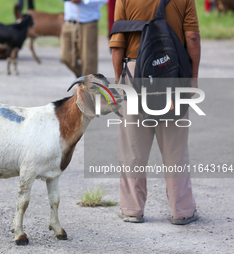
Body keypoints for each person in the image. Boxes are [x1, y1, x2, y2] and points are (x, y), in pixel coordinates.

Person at [109, 0, 201, 225]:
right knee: (175, 147)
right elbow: (192, 38)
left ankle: (132, 209)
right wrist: (193, 79)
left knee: (133, 146)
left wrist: (119, 77)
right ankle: (182, 211)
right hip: (172, 71)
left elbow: (118, 43)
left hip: (134, 71)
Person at [60, 0, 107, 78]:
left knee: (88, 60)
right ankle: (82, 81)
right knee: (66, 57)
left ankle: (89, 87)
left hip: (88, 23)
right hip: (69, 22)